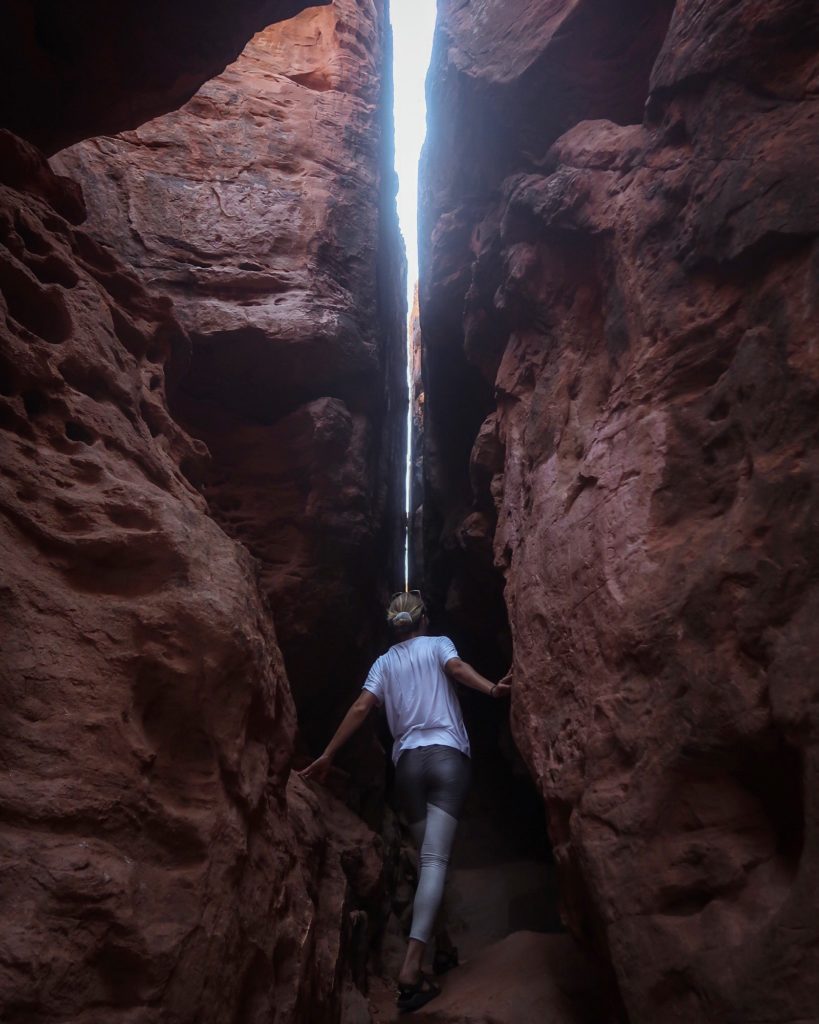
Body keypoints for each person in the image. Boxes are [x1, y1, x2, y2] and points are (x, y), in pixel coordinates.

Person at [300, 590, 511, 1013]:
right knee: (435, 861)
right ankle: (412, 971)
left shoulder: (383, 664)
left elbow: (362, 707)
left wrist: (328, 753)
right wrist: (492, 690)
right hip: (447, 757)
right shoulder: (438, 645)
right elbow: (456, 668)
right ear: (424, 620)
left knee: (427, 858)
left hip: (408, 768)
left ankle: (445, 947)